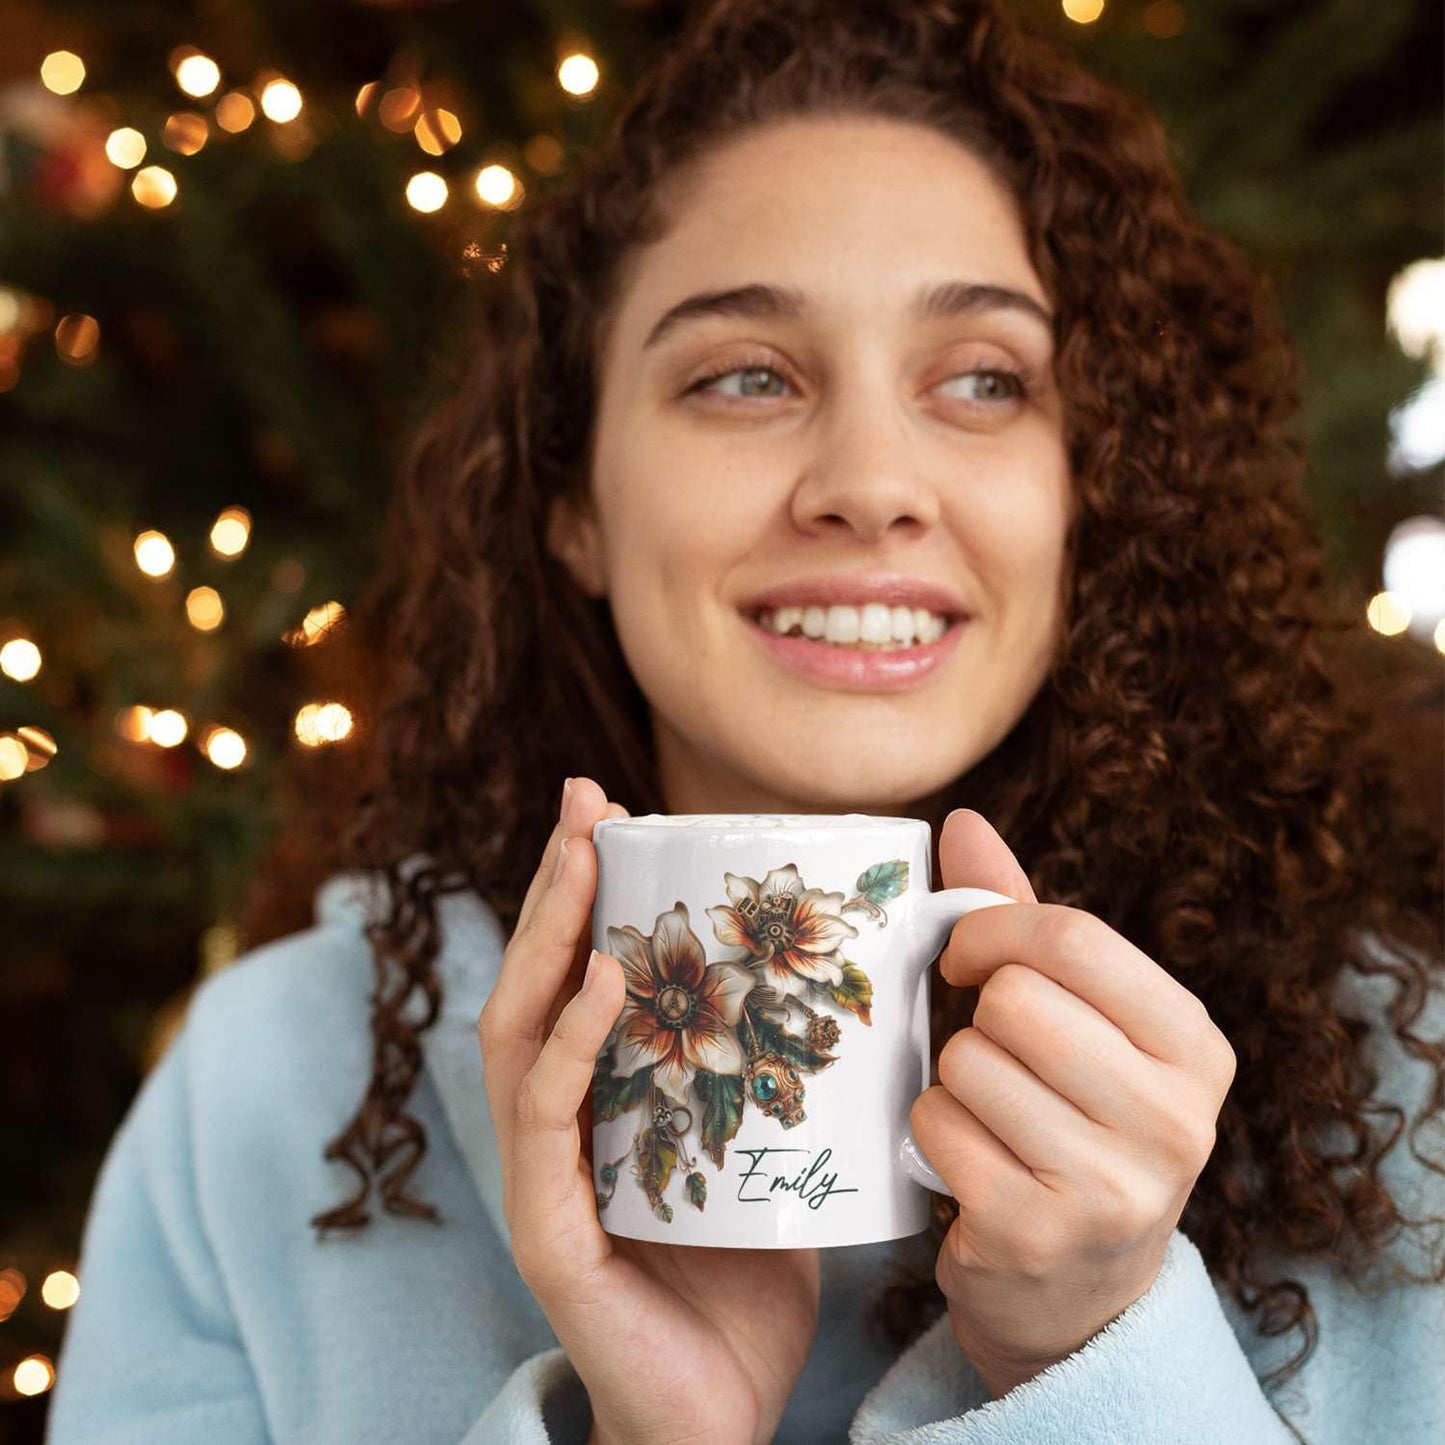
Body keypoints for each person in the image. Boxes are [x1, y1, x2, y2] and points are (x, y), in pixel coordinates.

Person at [46, 0, 1443, 1441]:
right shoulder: (275, 1092)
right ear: (573, 501)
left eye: (983, 379)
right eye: (743, 377)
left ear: (1096, 494)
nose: (869, 479)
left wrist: (1094, 1357)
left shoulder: (1387, 1100)